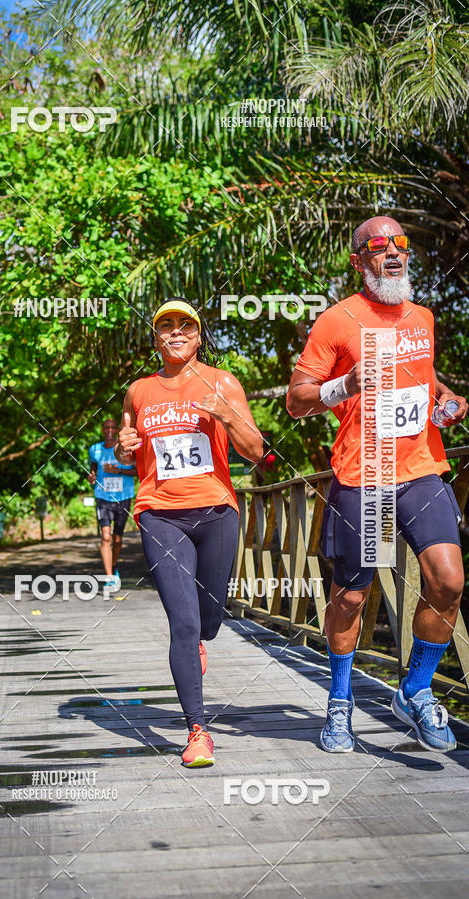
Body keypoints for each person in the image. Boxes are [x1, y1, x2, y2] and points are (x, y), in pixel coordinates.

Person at [287, 215, 467, 753]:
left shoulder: (424, 317)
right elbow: (296, 401)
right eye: (379, 245)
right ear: (358, 259)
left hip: (420, 470)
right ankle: (340, 702)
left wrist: (450, 401)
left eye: (401, 244)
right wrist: (344, 384)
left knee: (449, 582)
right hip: (364, 477)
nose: (393, 252)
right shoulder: (336, 322)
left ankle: (413, 689)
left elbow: (426, 379)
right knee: (351, 597)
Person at [116, 298, 264, 767]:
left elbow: (256, 450)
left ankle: (200, 638)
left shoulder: (222, 382)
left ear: (198, 337)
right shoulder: (138, 391)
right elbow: (126, 452)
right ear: (156, 337)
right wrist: (123, 449)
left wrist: (226, 415)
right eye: (166, 326)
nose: (176, 332)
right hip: (160, 512)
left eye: (185, 326)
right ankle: (198, 731)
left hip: (217, 511)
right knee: (182, 623)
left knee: (208, 622)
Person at [88, 419, 136, 581]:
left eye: (112, 427)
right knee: (106, 537)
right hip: (103, 497)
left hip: (123, 497)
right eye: (106, 427)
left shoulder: (126, 449)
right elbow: (93, 469)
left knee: (117, 539)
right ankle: (109, 577)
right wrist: (92, 477)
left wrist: (118, 470)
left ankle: (113, 565)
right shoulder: (94, 449)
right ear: (102, 430)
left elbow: (137, 472)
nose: (109, 430)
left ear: (117, 430)